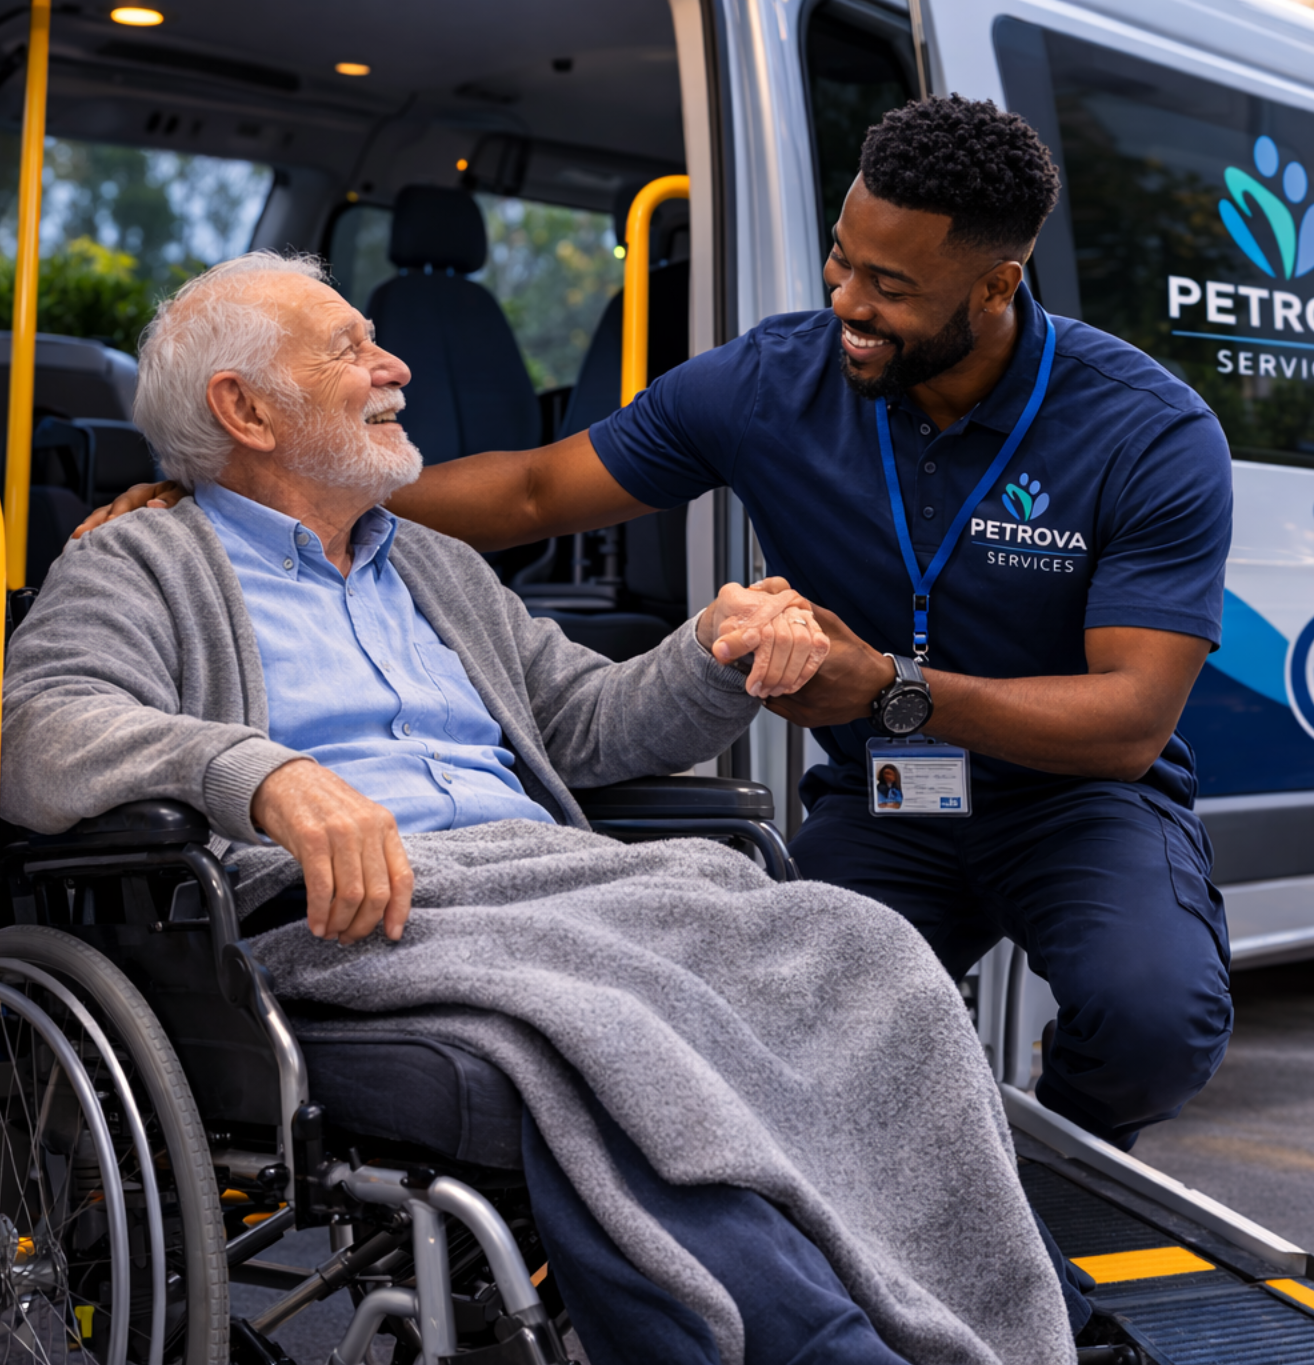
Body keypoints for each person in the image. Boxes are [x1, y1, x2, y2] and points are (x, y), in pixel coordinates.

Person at [84, 96, 1235, 1152]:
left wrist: (890, 688)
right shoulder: (769, 382)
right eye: (840, 260)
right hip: (887, 801)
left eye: (888, 286)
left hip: (1073, 798)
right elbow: (534, 493)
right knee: (798, 1024)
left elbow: (1128, 722)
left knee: (1150, 1024)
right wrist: (252, 487)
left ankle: (1059, 1175)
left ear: (994, 286)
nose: (845, 303)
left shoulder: (1144, 432)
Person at [8, 252, 1088, 1364]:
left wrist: (713, 650)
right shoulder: (142, 561)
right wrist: (262, 775)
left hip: (553, 886)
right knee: (616, 1031)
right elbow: (36, 728)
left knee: (862, 946)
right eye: (348, 349)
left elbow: (582, 724)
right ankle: (818, 1346)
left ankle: (1003, 1320)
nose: (396, 366)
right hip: (357, 916)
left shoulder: (433, 565)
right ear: (244, 408)